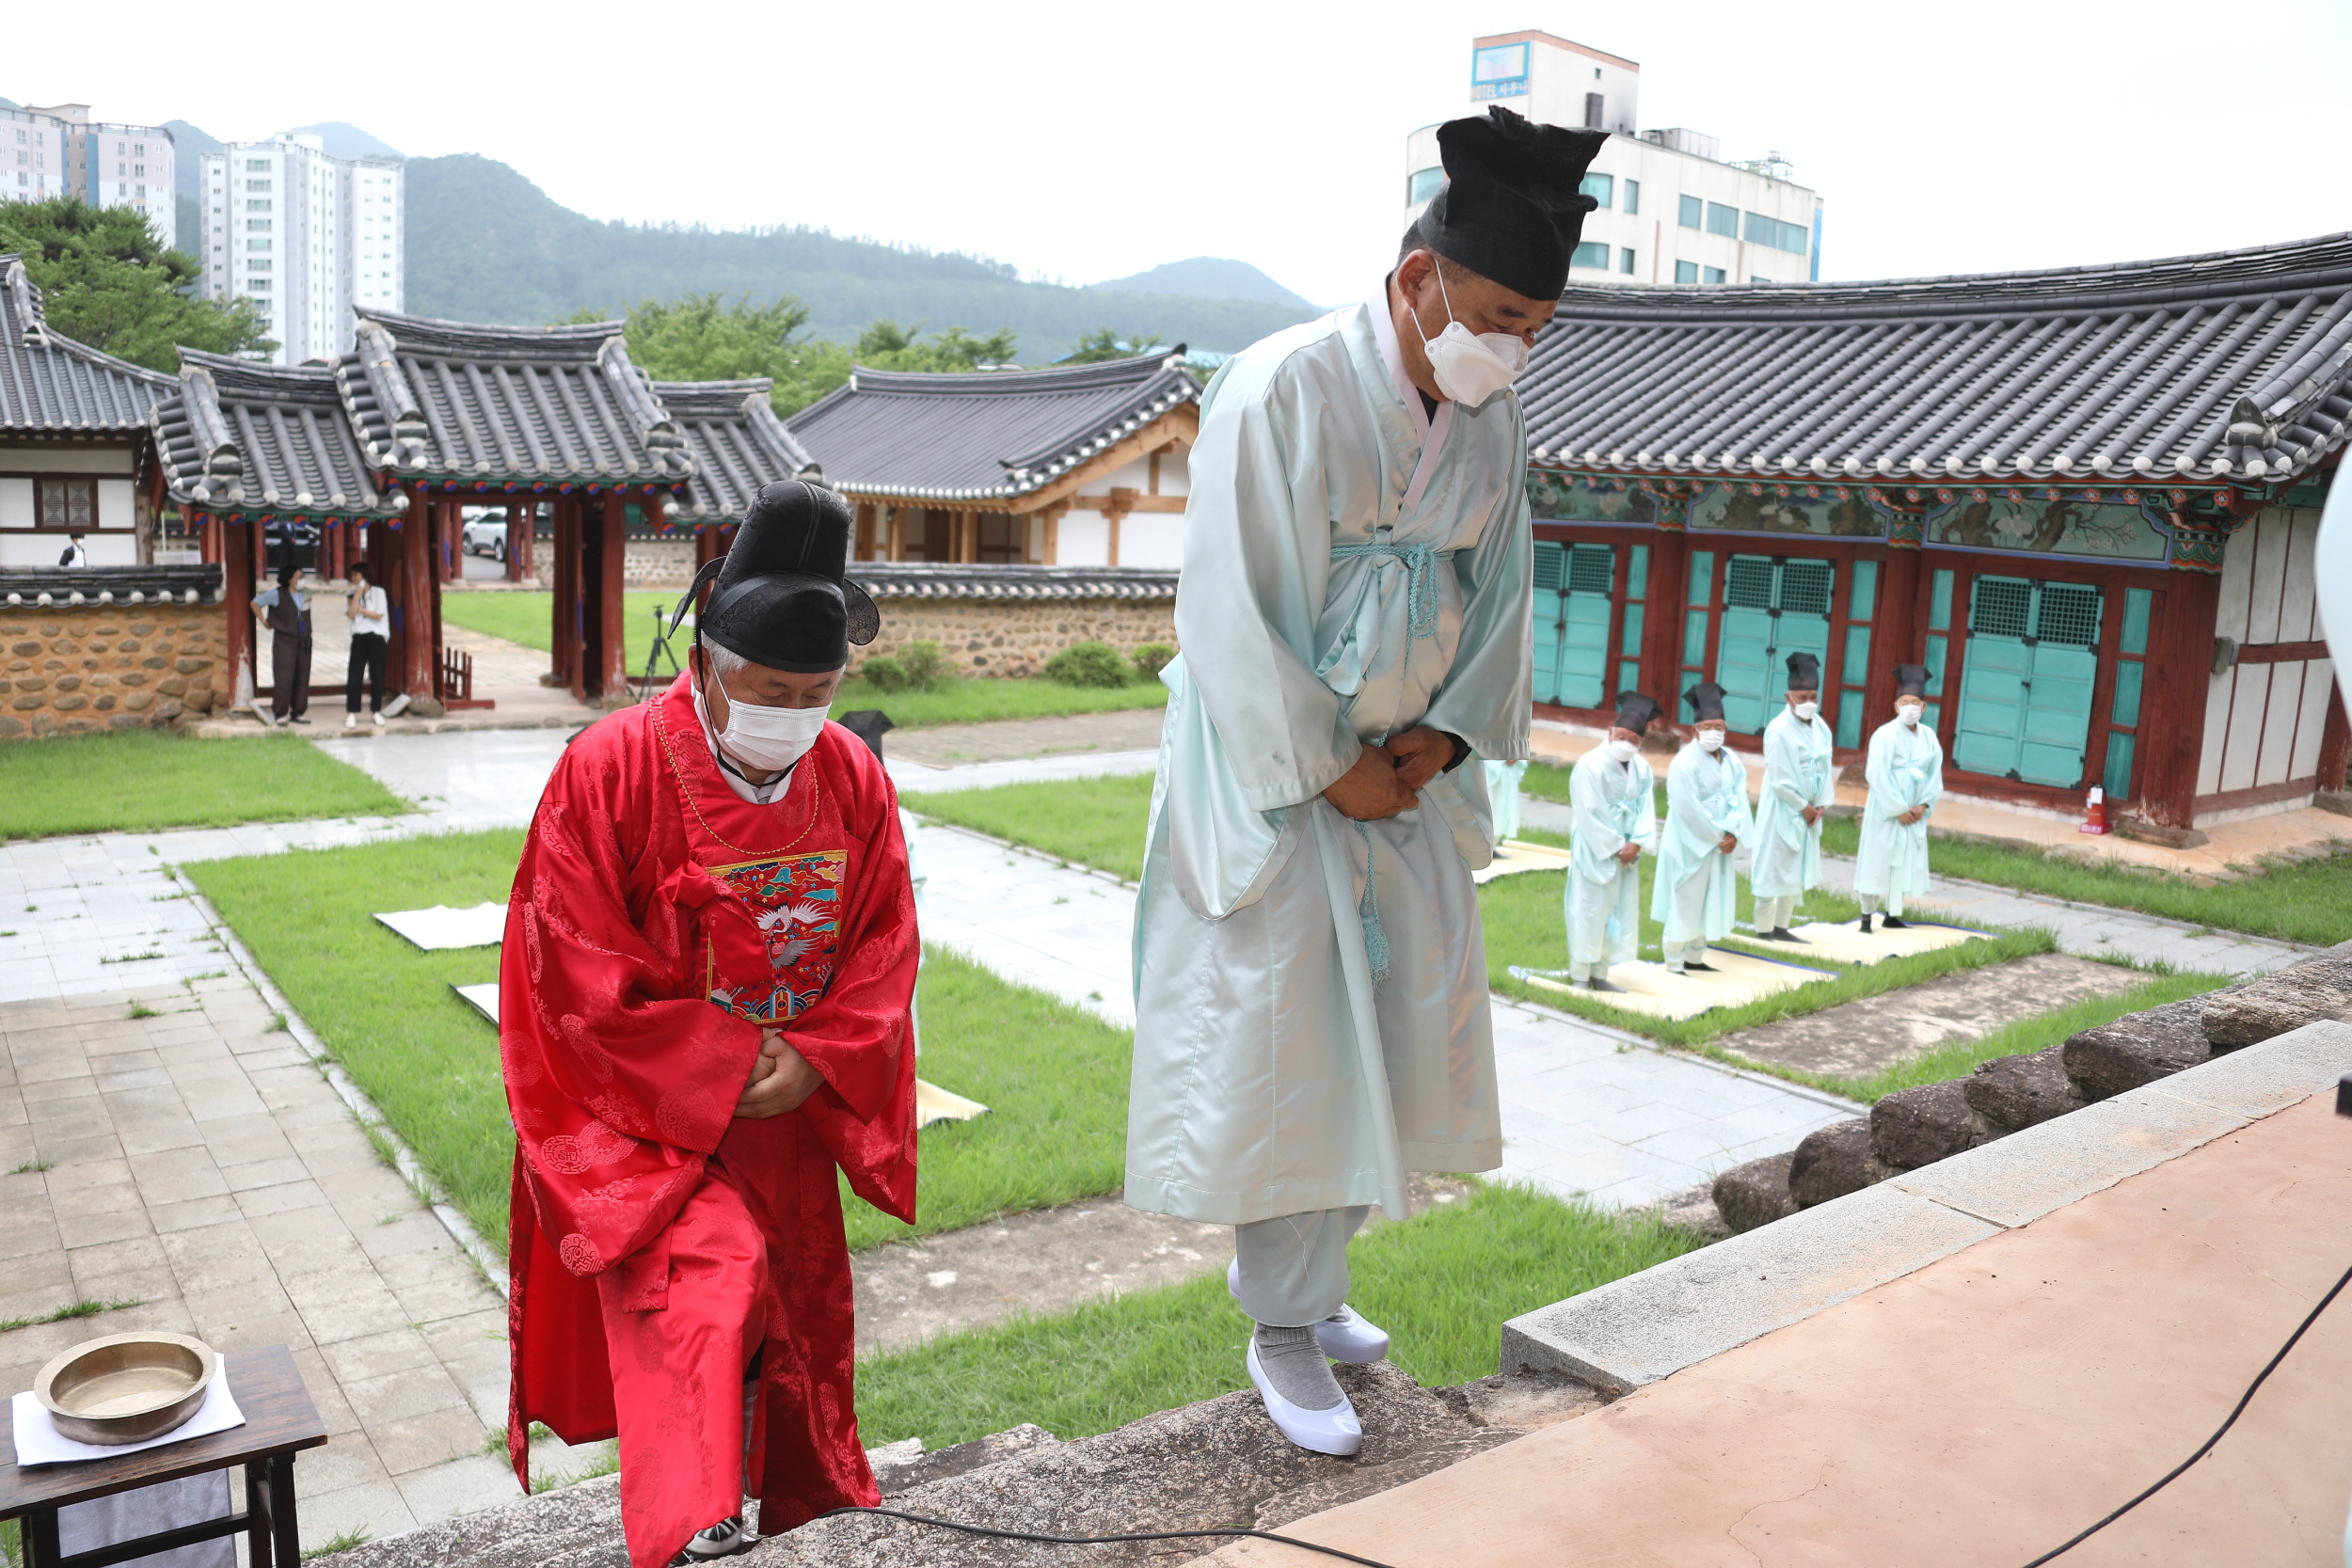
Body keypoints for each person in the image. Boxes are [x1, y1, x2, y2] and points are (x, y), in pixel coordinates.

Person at [1126, 104, 1607, 1457]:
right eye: (1499, 310)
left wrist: (1446, 738)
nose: (1513, 345)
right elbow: (1227, 608)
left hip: (1401, 776)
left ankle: (1314, 1287)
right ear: (1418, 279)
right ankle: (1278, 1320)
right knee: (1293, 1045)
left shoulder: (1490, 419)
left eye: (1536, 323)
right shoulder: (1280, 387)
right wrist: (1331, 769)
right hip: (1280, 781)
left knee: (1388, 1030)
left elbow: (1500, 590)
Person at [499, 480, 918, 1568]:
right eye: (768, 687)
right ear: (705, 668)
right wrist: (724, 1060)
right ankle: (691, 1529)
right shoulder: (610, 770)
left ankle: (802, 1514)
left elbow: (881, 944)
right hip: (651, 1121)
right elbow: (568, 970)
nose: (792, 709)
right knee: (707, 1284)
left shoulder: (851, 777)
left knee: (799, 1319)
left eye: (815, 688)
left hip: (786, 1113)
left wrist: (821, 1055)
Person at [1651, 683, 1751, 976]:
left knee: (1710, 897)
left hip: (1721, 840)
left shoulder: (1732, 759)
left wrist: (1734, 832)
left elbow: (1740, 796)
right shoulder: (1684, 762)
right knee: (1686, 897)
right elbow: (1686, 808)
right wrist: (1717, 836)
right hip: (1691, 841)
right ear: (1695, 730)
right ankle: (1673, 961)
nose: (1714, 732)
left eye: (1719, 726)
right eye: (1707, 726)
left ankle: (1696, 956)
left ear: (1726, 729)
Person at [1565, 692, 1662, 990]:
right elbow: (1589, 811)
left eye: (1634, 740)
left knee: (1615, 910)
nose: (1627, 743)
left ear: (1641, 742)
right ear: (1610, 733)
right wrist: (1616, 845)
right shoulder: (1589, 765)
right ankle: (1580, 974)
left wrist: (1638, 843)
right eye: (1622, 736)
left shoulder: (1642, 768)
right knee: (1589, 907)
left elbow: (1647, 808)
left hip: (1627, 850)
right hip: (1596, 848)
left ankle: (1601, 973)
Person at [1751, 653, 1836, 942]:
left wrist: (1820, 803)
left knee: (1794, 867)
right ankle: (1763, 930)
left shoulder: (1821, 727)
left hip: (1810, 810)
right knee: (1772, 866)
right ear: (1789, 697)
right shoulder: (1778, 729)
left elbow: (1825, 766)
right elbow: (1778, 779)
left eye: (1813, 696)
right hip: (1782, 808)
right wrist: (1803, 807)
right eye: (1803, 697)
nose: (1809, 702)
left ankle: (1782, 927)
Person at [1854, 664, 1943, 932]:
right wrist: (1898, 808)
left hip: (1915, 810)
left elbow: (1935, 773)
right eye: (1905, 702)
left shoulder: (1929, 736)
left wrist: (1923, 805)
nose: (1910, 708)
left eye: (1915, 703)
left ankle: (1893, 914)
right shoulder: (1884, 734)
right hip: (1886, 809)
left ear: (1924, 707)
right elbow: (1877, 774)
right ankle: (1867, 917)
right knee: (1877, 858)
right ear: (1896, 707)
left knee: (1904, 860)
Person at [251, 565, 313, 725]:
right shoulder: (277, 594)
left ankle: (298, 711)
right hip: (284, 640)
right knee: (284, 677)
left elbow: (305, 613)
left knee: (302, 676)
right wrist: (265, 621)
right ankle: (280, 713)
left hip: (303, 640)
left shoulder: (306, 592)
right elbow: (255, 604)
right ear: (289, 579)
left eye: (302, 576)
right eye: (298, 577)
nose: (301, 580)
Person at [344, 562, 389, 727]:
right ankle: (351, 712)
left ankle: (376, 711)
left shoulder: (379, 592)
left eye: (356, 575)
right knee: (355, 676)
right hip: (359, 637)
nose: (353, 578)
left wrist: (360, 609)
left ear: (364, 575)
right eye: (352, 575)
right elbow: (350, 615)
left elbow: (378, 615)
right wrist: (356, 595)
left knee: (377, 675)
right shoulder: (351, 594)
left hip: (377, 637)